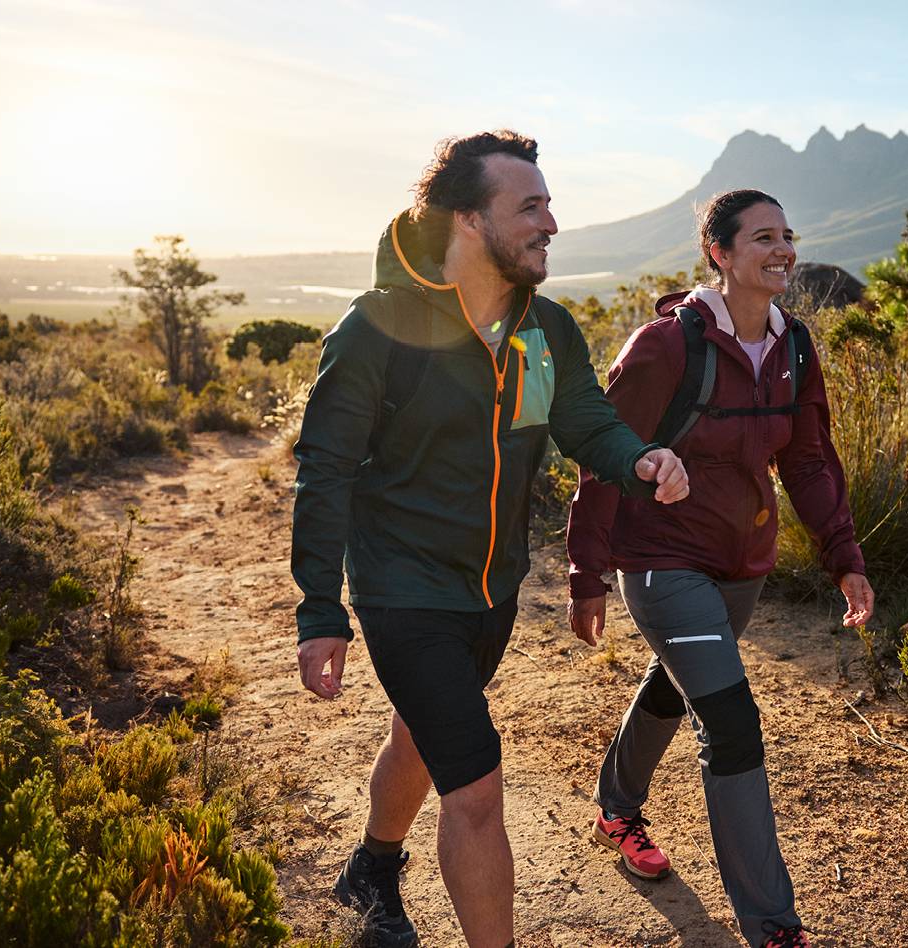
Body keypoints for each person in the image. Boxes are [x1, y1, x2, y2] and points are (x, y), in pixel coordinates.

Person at [291, 130, 689, 948]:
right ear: (468, 220)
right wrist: (320, 609)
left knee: (425, 734)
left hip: (494, 590)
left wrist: (639, 456)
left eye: (549, 204)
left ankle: (371, 868)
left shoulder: (546, 330)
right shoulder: (377, 329)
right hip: (404, 591)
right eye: (530, 206)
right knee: (474, 790)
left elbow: (585, 422)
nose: (551, 222)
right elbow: (325, 471)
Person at [566, 189, 874, 948]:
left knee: (675, 686)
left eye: (788, 236)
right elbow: (605, 458)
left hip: (743, 561)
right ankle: (774, 927)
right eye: (762, 237)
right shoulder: (667, 346)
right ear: (720, 254)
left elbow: (807, 461)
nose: (783, 250)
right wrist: (587, 569)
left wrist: (845, 558)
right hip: (661, 559)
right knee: (732, 724)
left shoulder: (794, 346)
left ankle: (615, 807)